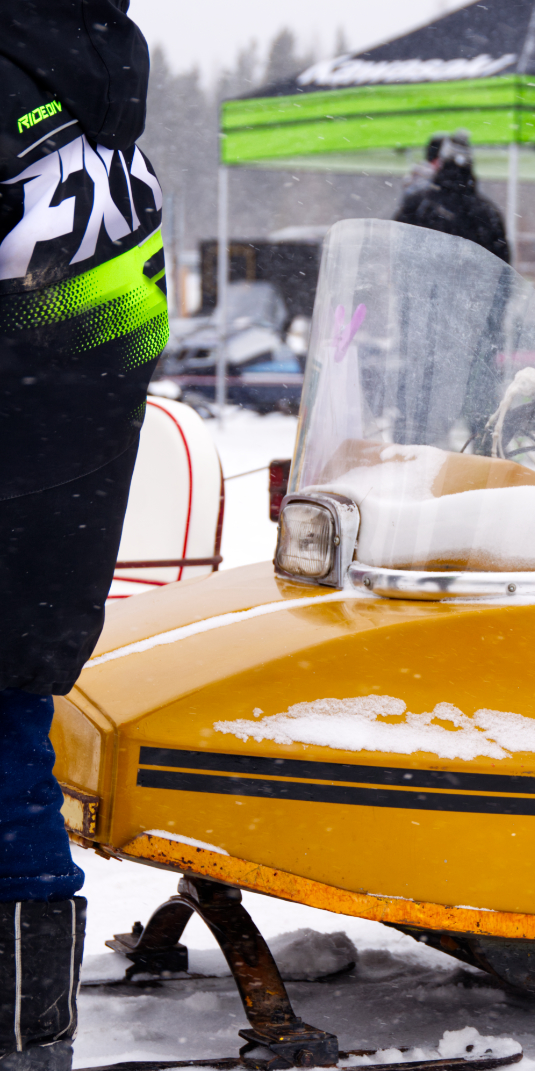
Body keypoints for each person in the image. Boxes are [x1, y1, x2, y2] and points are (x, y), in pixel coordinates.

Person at [0, 2, 166, 1068]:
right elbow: (124, 330)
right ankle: (31, 1037)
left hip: (28, 462)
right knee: (14, 756)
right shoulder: (101, 110)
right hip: (67, 491)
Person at [393, 131, 510, 264]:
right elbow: (503, 269)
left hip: (421, 282)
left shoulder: (418, 203)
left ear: (440, 163)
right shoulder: (487, 213)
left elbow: (397, 251)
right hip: (469, 283)